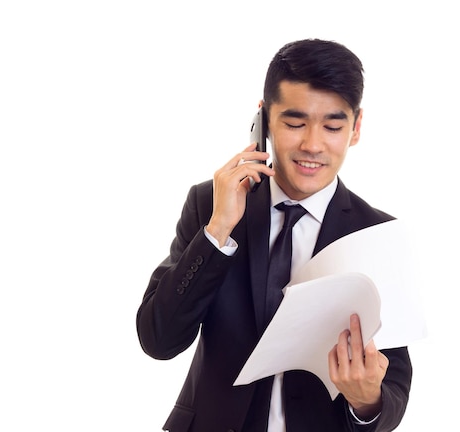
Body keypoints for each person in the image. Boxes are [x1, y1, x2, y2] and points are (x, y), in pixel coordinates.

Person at [136, 38, 413, 432]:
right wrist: (218, 231)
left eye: (333, 126)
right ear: (264, 120)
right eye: (295, 123)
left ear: (356, 128)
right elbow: (158, 339)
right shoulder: (210, 205)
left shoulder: (376, 234)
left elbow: (393, 392)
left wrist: (366, 397)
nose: (312, 144)